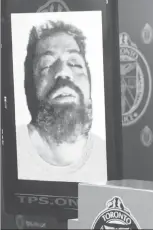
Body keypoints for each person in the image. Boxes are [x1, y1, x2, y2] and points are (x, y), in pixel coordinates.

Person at [16, 20, 107, 183]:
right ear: (30, 85)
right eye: (46, 66)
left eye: (75, 64)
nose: (63, 72)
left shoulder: (109, 160)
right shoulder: (8, 153)